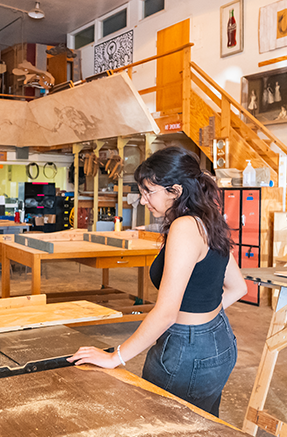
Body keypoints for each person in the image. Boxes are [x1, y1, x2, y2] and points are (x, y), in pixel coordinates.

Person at [69, 146, 247, 417]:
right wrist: (202, 319)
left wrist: (114, 357)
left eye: (148, 192)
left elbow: (165, 313)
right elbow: (238, 287)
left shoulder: (185, 227)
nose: (143, 201)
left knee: (161, 421)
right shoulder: (208, 219)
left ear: (175, 191)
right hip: (219, 338)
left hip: (187, 353)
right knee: (204, 425)